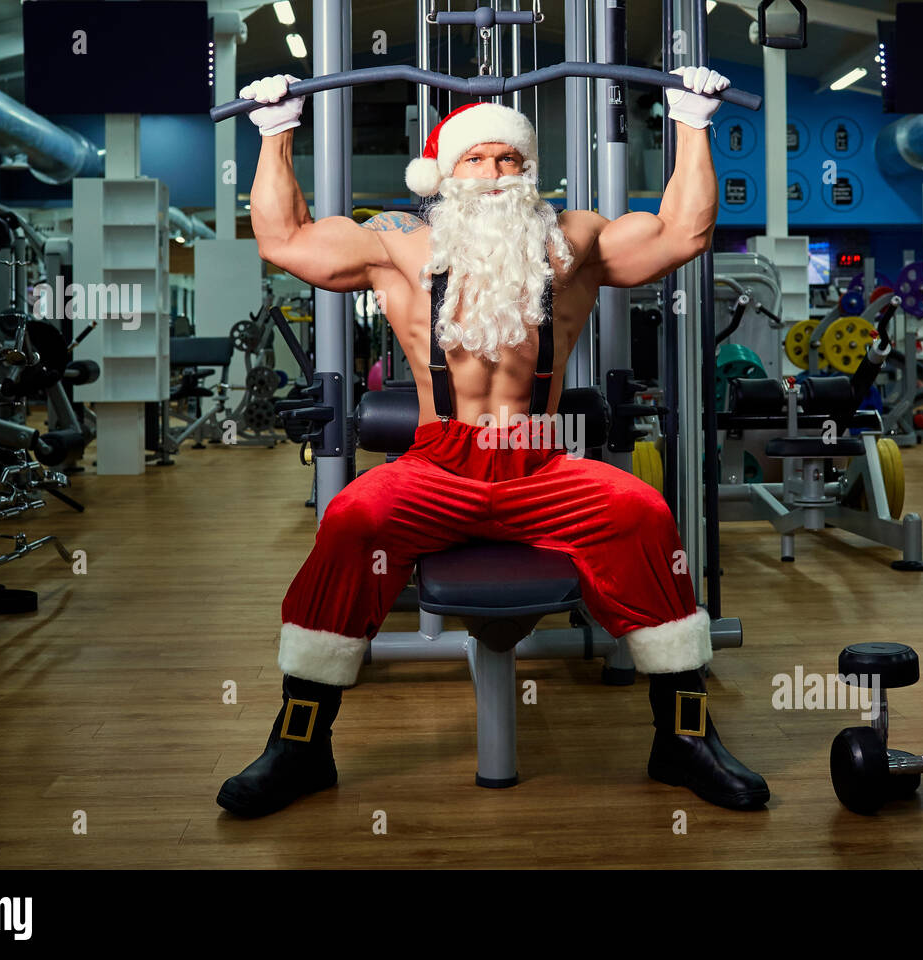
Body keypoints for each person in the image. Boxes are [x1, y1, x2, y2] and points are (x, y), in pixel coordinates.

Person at [217, 66, 770, 817]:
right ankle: (300, 746)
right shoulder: (400, 243)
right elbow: (282, 241)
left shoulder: (571, 240)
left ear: (530, 171)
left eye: (510, 159)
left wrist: (691, 122)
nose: (495, 173)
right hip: (437, 461)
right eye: (475, 160)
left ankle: (683, 737)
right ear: (445, 175)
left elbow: (683, 234)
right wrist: (276, 132)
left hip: (542, 459)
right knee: (351, 521)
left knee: (643, 514)